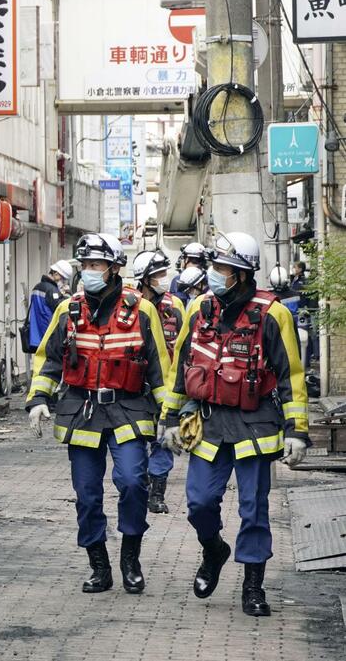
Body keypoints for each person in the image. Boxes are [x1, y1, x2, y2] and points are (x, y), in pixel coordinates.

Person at [159, 232, 309, 617]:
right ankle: (214, 550)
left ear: (241, 274)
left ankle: (253, 585)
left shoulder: (273, 314)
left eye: (222, 268)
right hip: (207, 421)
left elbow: (291, 375)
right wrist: (171, 418)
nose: (214, 274)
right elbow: (180, 370)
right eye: (214, 267)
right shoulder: (199, 309)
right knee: (198, 503)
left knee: (253, 509)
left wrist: (297, 430)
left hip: (256, 422)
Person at [27, 233, 171, 595]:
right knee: (87, 494)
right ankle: (99, 565)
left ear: (114, 268)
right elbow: (48, 359)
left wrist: (170, 417)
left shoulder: (143, 309)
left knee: (134, 483)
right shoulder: (68, 309)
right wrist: (39, 398)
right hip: (82, 411)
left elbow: (160, 369)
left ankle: (130, 559)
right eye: (85, 265)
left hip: (129, 409)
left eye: (95, 265)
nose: (88, 272)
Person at [131, 249, 186, 514]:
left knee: (163, 438)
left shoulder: (174, 306)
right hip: (137, 387)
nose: (164, 279)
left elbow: (186, 346)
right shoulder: (130, 306)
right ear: (144, 278)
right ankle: (138, 487)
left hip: (167, 384)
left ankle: (157, 493)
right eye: (159, 275)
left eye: (165, 274)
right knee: (136, 440)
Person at [27, 260, 74, 349]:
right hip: (48, 335)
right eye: (63, 279)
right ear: (56, 274)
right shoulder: (51, 290)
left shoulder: (37, 287)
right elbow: (62, 308)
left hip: (36, 334)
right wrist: (67, 295)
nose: (63, 282)